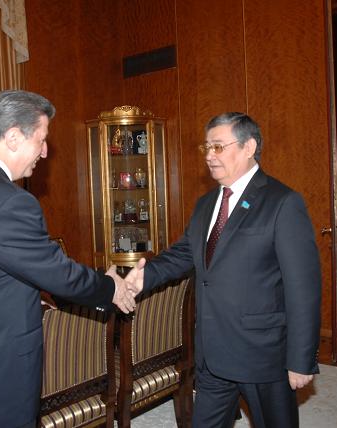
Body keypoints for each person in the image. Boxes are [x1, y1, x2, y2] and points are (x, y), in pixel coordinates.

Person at [0, 90, 135, 427]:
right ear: (14, 137)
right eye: (41, 139)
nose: (45, 151)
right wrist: (111, 287)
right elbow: (59, 273)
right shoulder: (9, 201)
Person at [125, 112, 322, 428]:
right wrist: (142, 276)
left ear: (248, 147)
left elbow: (303, 289)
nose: (209, 156)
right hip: (212, 351)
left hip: (261, 354)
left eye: (218, 146)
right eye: (206, 147)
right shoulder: (206, 204)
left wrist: (301, 358)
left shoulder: (282, 202)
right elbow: (183, 254)